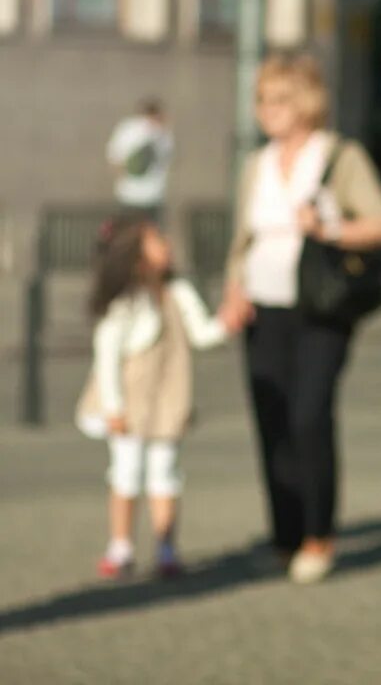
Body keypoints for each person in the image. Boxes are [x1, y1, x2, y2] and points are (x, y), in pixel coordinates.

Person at [223, 53, 381, 585]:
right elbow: (242, 240)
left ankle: (320, 534)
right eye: (261, 100)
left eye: (278, 99)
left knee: (309, 415)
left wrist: (328, 227)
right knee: (272, 421)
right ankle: (286, 534)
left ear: (305, 103)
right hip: (263, 305)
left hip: (320, 307)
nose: (266, 110)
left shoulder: (339, 156)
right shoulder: (257, 164)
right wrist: (233, 290)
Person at [76, 216, 249, 578]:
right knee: (126, 471)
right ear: (136, 256)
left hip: (168, 400)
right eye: (156, 240)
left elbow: (202, 333)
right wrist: (114, 406)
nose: (167, 244)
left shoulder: (179, 292)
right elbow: (106, 356)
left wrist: (227, 323)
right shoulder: (127, 303)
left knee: (165, 474)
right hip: (132, 403)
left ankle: (166, 547)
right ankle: (121, 545)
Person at [106, 99, 174, 223]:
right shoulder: (131, 129)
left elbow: (114, 158)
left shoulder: (163, 134)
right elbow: (115, 159)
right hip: (138, 197)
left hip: (147, 197)